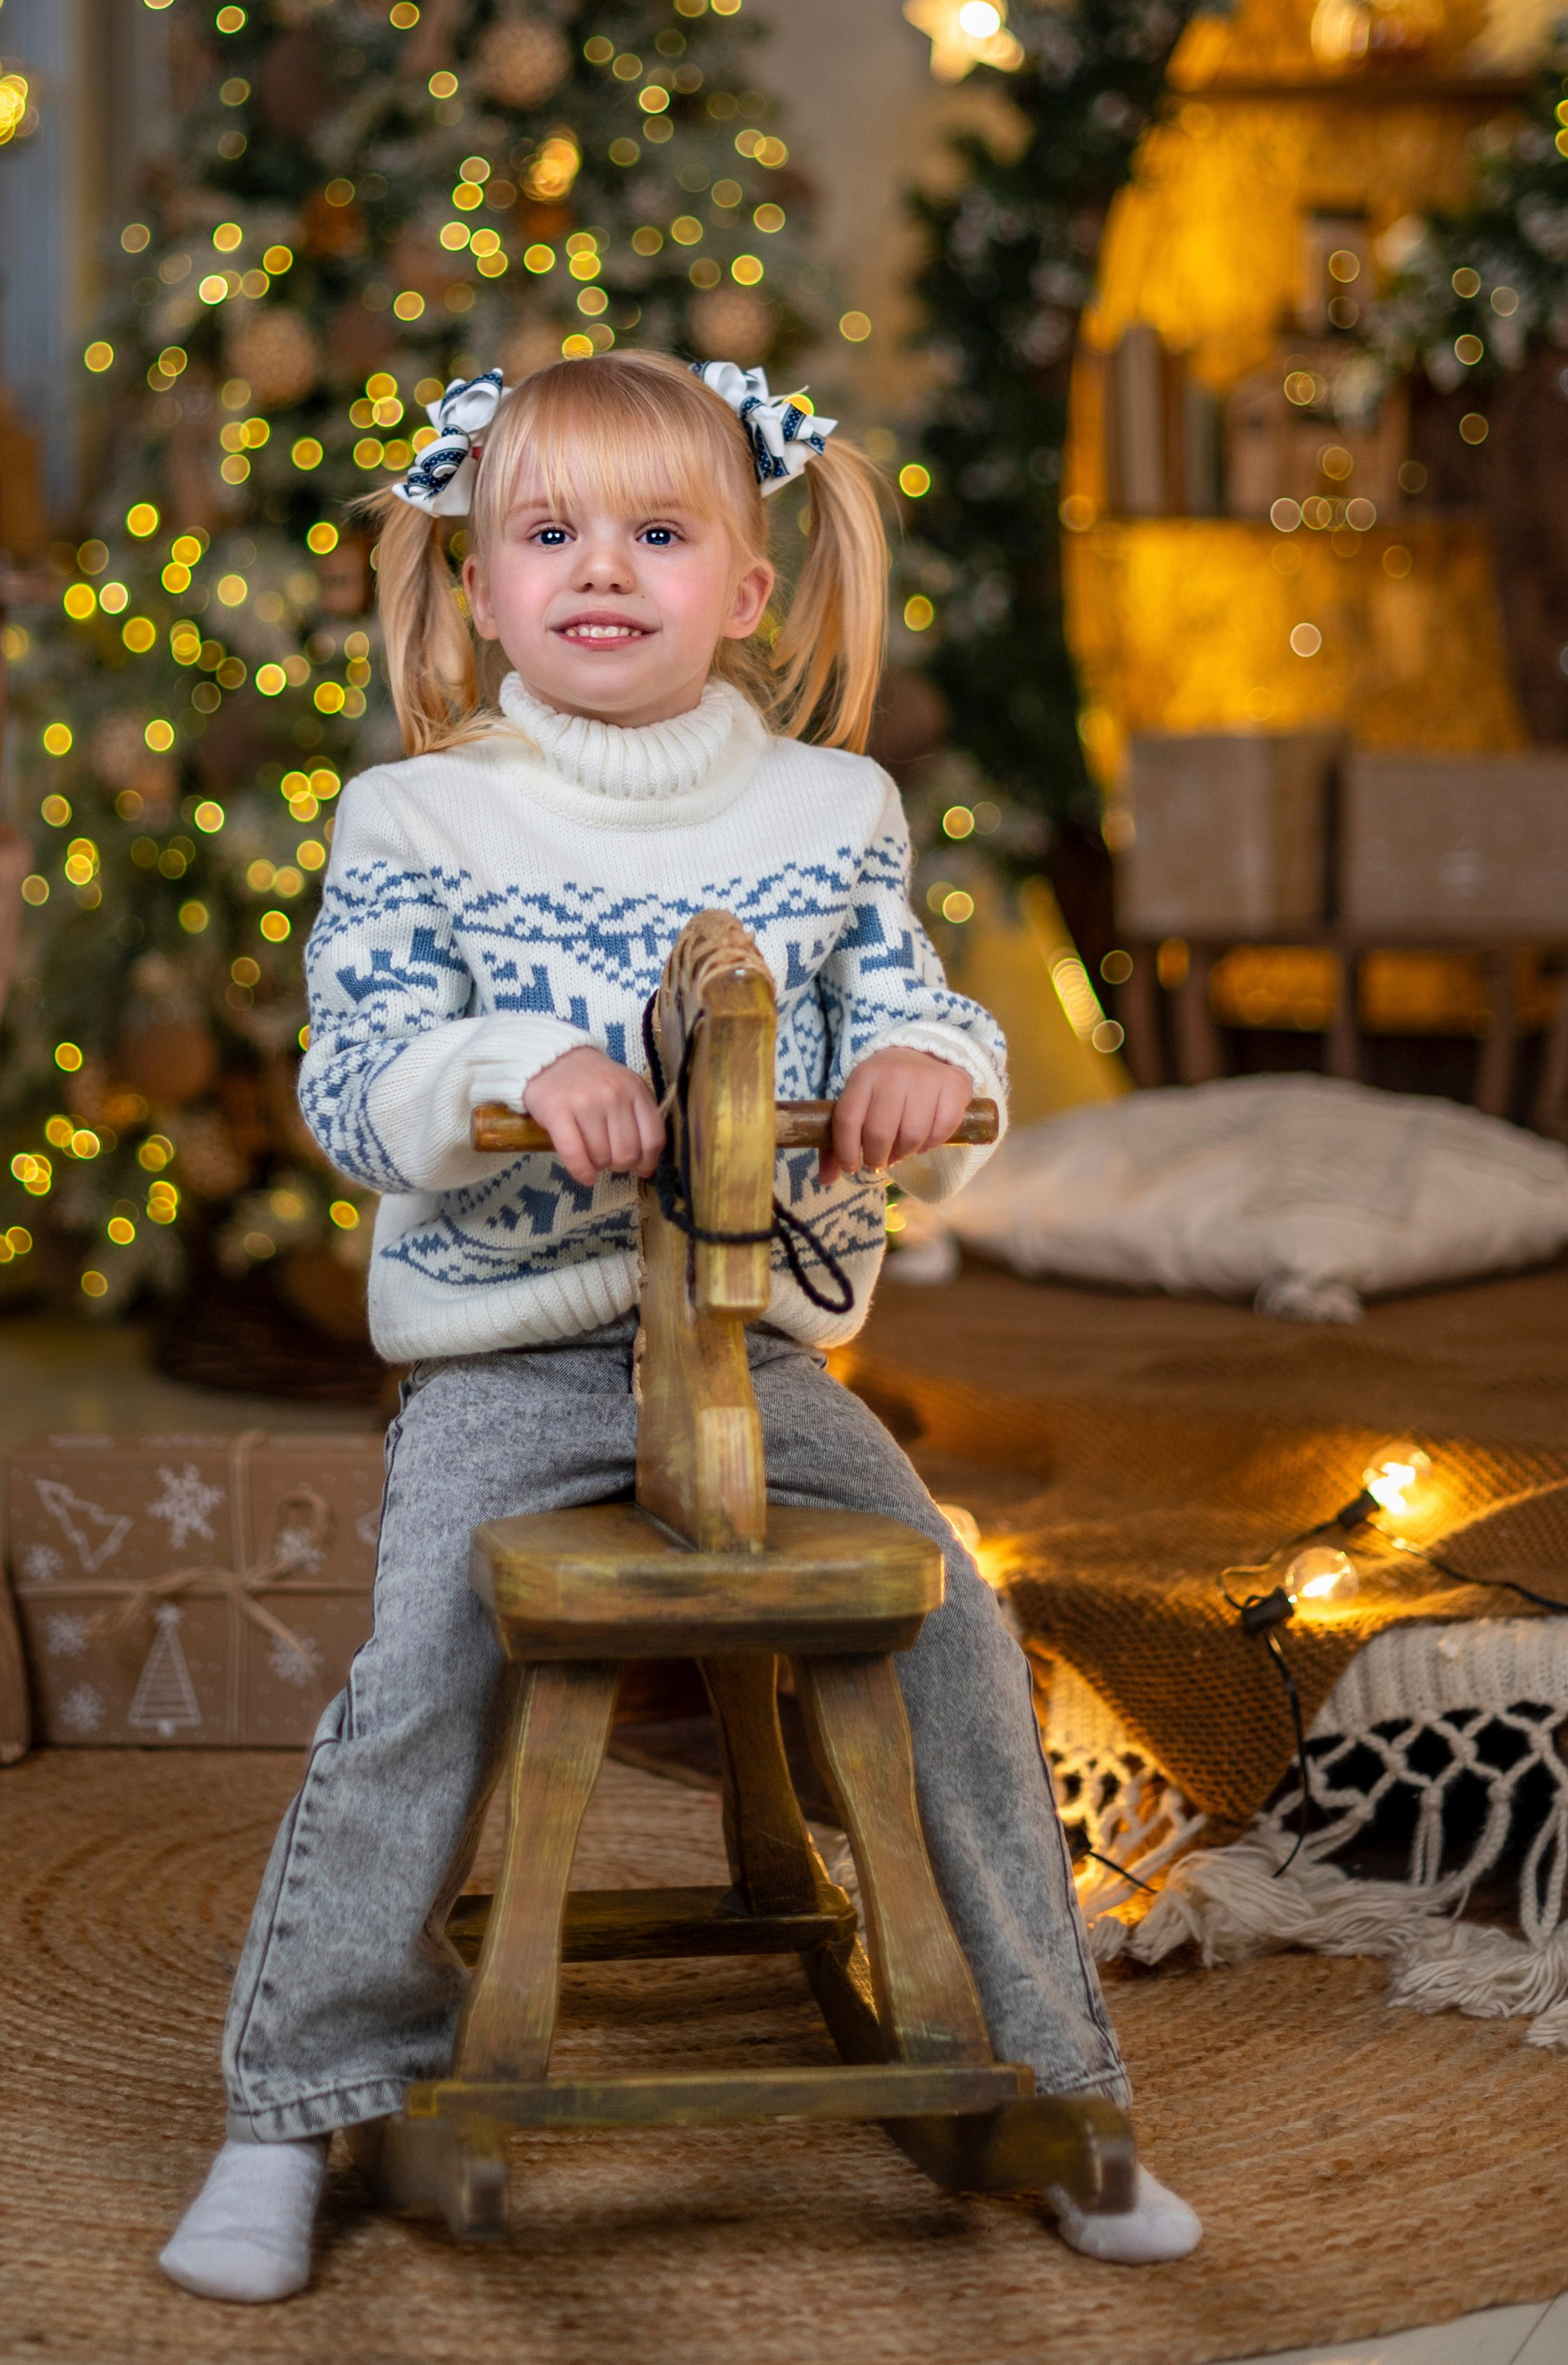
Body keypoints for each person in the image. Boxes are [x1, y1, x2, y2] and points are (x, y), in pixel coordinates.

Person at [161, 351, 1199, 2300]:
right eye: (548, 533)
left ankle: (1059, 2077)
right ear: (477, 579)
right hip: (510, 1348)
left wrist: (915, 1063)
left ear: (746, 583)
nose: (599, 570)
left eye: (657, 531)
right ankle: (291, 2099)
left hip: (759, 1355)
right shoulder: (419, 816)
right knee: (419, 1680)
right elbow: (356, 1070)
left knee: (960, 1633)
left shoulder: (832, 807)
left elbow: (924, 1004)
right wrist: (515, 1063)